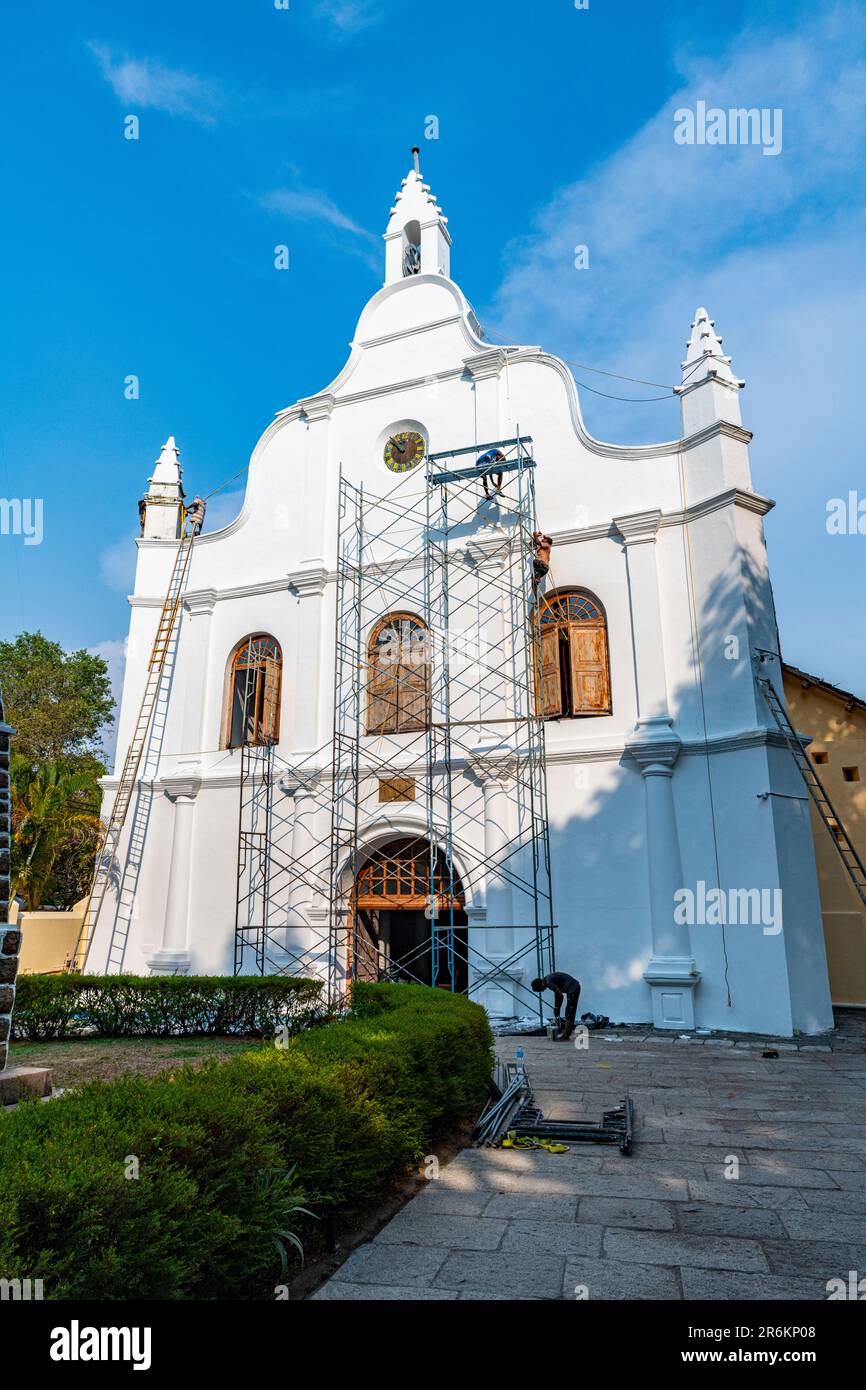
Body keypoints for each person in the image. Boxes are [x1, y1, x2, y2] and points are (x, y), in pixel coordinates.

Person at [531, 970, 581, 1041]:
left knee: (569, 1012)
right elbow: (557, 994)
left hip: (573, 988)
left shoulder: (548, 982)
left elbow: (560, 996)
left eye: (540, 989)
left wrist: (557, 1008)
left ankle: (566, 1036)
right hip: (574, 987)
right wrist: (556, 1007)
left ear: (540, 984)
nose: (542, 991)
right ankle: (567, 1033)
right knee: (570, 1012)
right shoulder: (547, 980)